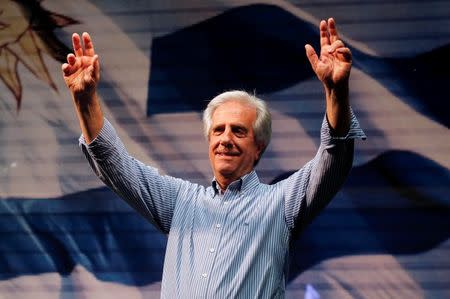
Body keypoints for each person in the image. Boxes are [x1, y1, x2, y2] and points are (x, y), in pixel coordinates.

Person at [62, 18, 365, 298]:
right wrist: (85, 99)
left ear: (259, 146)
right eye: (218, 130)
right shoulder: (181, 202)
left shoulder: (281, 203)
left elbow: (334, 157)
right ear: (209, 141)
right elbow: (116, 166)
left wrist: (336, 91)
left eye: (238, 131)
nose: (225, 139)